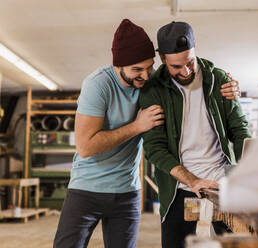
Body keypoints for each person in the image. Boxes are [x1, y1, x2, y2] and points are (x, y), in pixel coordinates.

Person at [53, 19, 241, 248]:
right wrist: (136, 126)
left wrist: (233, 88)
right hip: (90, 190)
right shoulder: (107, 85)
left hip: (129, 190)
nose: (145, 75)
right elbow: (87, 147)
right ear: (119, 65)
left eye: (148, 67)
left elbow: (237, 128)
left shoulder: (171, 84)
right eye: (137, 70)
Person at [139, 21, 252, 248]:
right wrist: (192, 180)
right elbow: (154, 148)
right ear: (162, 59)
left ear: (195, 48)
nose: (186, 71)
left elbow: (239, 131)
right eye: (176, 67)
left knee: (241, 243)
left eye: (190, 62)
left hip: (222, 183)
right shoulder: (154, 91)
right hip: (179, 187)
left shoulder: (219, 80)